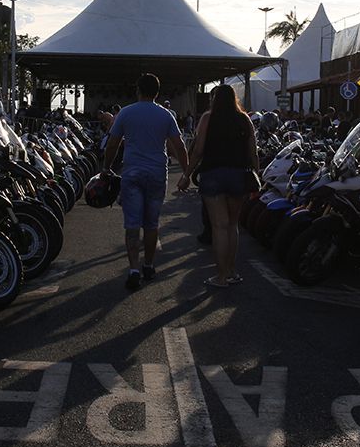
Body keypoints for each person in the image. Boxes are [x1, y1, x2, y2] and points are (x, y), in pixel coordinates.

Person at [102, 73, 190, 291]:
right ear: (157, 92)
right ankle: (148, 265)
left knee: (132, 224)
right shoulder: (166, 115)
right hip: (157, 174)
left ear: (138, 90)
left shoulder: (126, 112)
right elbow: (179, 146)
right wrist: (186, 173)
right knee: (151, 223)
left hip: (132, 173)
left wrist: (106, 168)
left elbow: (113, 143)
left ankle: (134, 270)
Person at [178, 85, 258, 288]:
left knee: (219, 227)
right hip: (238, 175)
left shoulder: (207, 118)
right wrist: (257, 175)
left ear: (214, 99)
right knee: (232, 225)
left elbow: (198, 150)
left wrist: (186, 175)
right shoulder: (244, 119)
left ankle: (221, 277)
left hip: (212, 174)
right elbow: (253, 152)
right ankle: (231, 272)